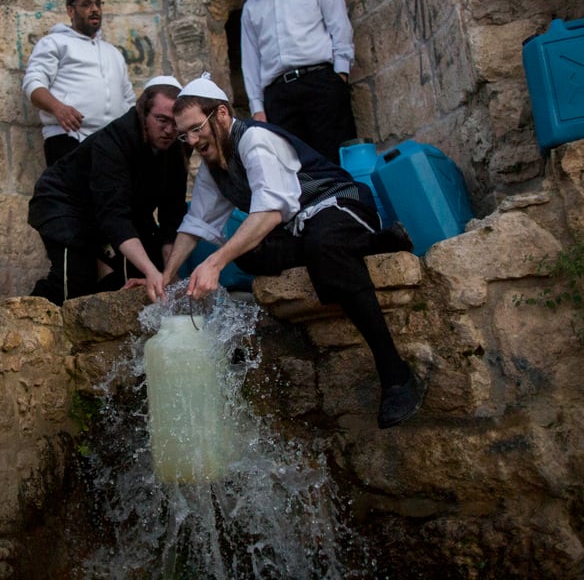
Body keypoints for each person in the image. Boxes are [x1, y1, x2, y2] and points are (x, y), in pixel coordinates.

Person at [162, 73, 423, 430]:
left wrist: (214, 261)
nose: (191, 141)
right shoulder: (213, 165)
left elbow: (270, 211)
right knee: (251, 256)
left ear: (221, 114)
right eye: (183, 134)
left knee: (323, 246)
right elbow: (196, 224)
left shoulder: (254, 140)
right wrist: (166, 278)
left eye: (195, 128)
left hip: (339, 204)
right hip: (305, 229)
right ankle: (373, 246)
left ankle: (396, 375)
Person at [28, 76, 188, 305]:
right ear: (143, 113)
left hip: (121, 209)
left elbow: (172, 215)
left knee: (147, 274)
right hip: (63, 203)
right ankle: (22, 318)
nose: (169, 130)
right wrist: (152, 271)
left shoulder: (176, 148)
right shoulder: (114, 141)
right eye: (161, 120)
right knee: (73, 285)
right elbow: (114, 215)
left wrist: (168, 272)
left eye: (176, 122)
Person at [239, 0, 358, 164]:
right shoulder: (250, 8)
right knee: (295, 169)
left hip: (320, 83)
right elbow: (250, 62)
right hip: (278, 98)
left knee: (337, 159)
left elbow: (339, 26)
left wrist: (340, 75)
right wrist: (257, 108)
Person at [22, 0, 136, 166]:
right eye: (87, 4)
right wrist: (58, 108)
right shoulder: (54, 42)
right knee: (72, 195)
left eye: (98, 4)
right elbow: (33, 84)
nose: (95, 10)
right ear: (70, 11)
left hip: (110, 144)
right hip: (67, 139)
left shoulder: (113, 53)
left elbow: (129, 99)